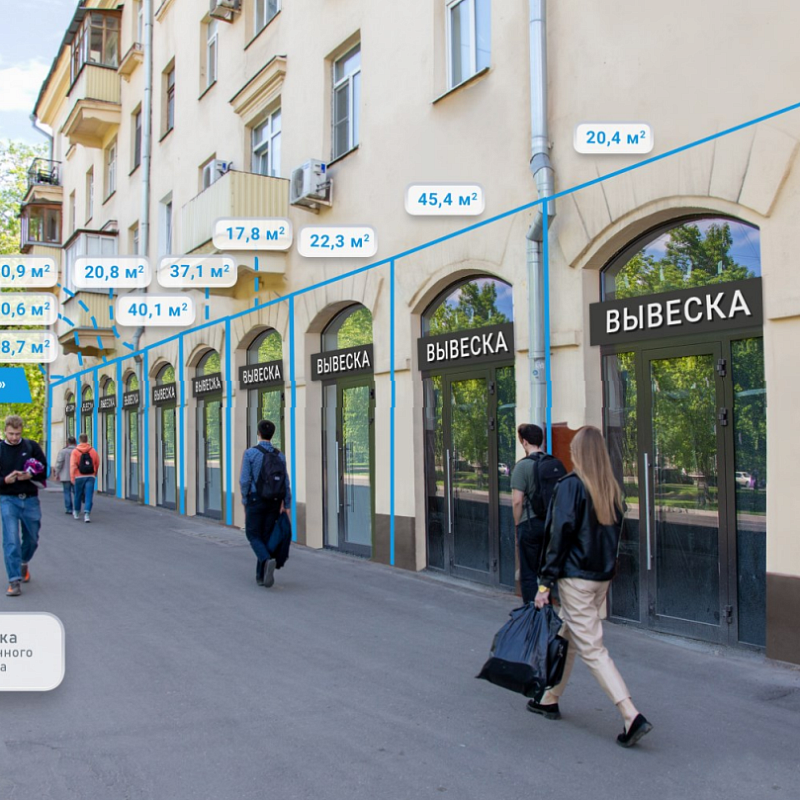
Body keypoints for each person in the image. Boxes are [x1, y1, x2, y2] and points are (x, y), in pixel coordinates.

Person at [530, 425, 653, 748]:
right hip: (600, 578)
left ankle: (630, 714)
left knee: (592, 648)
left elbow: (558, 536)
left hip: (576, 578)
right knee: (569, 635)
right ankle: (549, 697)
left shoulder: (570, 486)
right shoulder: (610, 489)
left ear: (577, 452)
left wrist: (544, 584)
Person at [510, 423, 565, 604]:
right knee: (545, 572)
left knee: (528, 573)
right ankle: (547, 608)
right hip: (552, 524)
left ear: (525, 442)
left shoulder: (522, 467)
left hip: (530, 524)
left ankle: (532, 613)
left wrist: (517, 523)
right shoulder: (553, 463)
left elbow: (517, 501)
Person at [239, 419, 291, 588]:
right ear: (272, 434)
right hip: (274, 502)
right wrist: (287, 504)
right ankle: (261, 576)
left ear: (259, 433)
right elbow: (285, 482)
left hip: (256, 500)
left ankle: (266, 559)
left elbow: (244, 480)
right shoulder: (279, 455)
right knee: (266, 536)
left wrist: (245, 500)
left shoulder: (250, 454)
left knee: (252, 534)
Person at [1, 415, 47, 597]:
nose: (14, 437)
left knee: (32, 538)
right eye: (11, 434)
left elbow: (43, 469)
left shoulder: (31, 447)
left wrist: (31, 475)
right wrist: (5, 480)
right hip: (8, 499)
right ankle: (14, 581)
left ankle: (23, 561)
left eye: (17, 434)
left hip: (30, 499)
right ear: (5, 431)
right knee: (11, 540)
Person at [70, 434, 99, 523]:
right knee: (89, 495)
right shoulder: (93, 450)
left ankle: (76, 512)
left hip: (79, 476)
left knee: (78, 494)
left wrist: (72, 477)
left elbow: (72, 465)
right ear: (87, 440)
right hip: (90, 476)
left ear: (79, 440)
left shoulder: (75, 451)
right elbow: (97, 462)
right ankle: (87, 514)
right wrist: (95, 473)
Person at [53, 436, 77, 515]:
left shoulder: (63, 452)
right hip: (76, 475)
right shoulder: (78, 451)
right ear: (75, 442)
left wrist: (56, 473)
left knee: (67, 492)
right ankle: (76, 508)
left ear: (67, 443)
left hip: (65, 475)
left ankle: (69, 509)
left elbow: (59, 463)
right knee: (76, 492)